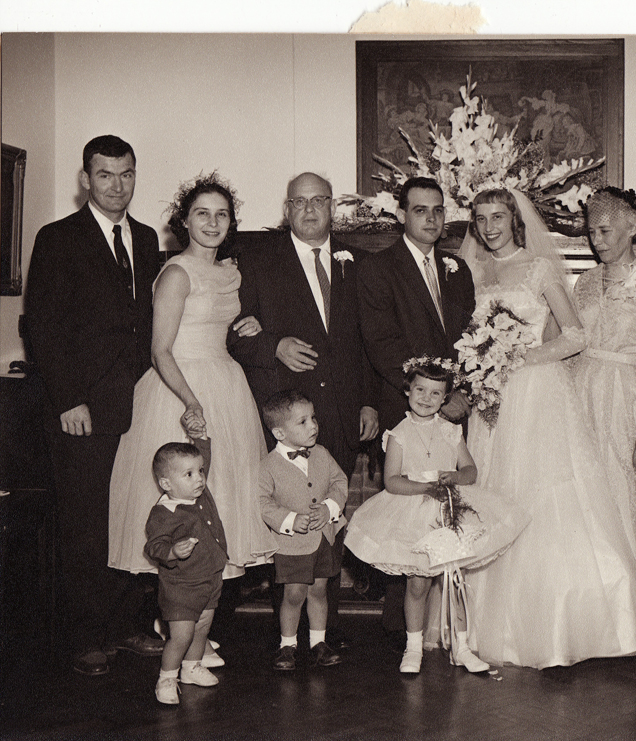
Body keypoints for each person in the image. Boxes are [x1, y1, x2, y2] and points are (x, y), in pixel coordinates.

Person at [459, 188, 636, 669]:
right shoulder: (472, 273)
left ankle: (557, 625)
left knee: (545, 498)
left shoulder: (539, 269)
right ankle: (486, 624)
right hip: (492, 401)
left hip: (536, 392)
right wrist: (483, 365)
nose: (490, 228)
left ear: (515, 220)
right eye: (481, 219)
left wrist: (516, 358)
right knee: (492, 492)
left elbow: (574, 336)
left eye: (498, 217)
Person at [26, 135, 164, 676]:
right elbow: (44, 325)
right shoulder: (58, 237)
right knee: (84, 523)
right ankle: (85, 636)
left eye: (125, 174)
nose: (116, 186)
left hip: (138, 405)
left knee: (131, 517)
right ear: (86, 179)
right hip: (81, 409)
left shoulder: (148, 238)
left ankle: (127, 625)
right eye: (104, 175)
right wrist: (68, 399)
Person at [228, 172, 378, 650]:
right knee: (291, 530)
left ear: (332, 207)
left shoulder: (358, 263)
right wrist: (275, 345)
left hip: (341, 411)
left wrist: (370, 398)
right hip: (289, 418)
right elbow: (232, 333)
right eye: (299, 202)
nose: (310, 210)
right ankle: (286, 637)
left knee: (329, 525)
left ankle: (323, 634)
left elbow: (366, 340)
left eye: (319, 200)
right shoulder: (257, 262)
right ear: (287, 209)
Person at [108, 173, 277, 587]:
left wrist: (249, 322)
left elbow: (224, 318)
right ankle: (174, 614)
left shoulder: (230, 272)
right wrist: (191, 402)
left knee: (222, 490)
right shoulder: (177, 273)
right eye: (202, 213)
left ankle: (200, 614)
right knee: (180, 498)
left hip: (227, 383)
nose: (212, 223)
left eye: (222, 215)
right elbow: (160, 349)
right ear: (185, 220)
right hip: (179, 386)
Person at [344, 358, 529, 674]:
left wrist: (454, 477)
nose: (426, 399)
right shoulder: (398, 434)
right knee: (417, 583)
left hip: (451, 507)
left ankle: (462, 647)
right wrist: (425, 486)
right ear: (408, 390)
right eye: (420, 390)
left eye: (435, 393)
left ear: (445, 398)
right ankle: (413, 647)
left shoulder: (450, 431)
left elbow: (470, 470)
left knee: (455, 582)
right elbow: (391, 481)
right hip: (415, 505)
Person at [358, 176, 476, 642]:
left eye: (437, 210)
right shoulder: (377, 267)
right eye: (420, 210)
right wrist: (435, 397)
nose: (430, 218)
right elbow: (381, 341)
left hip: (452, 409)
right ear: (401, 214)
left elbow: (469, 339)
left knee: (447, 510)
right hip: (407, 406)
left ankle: (446, 624)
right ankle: (404, 627)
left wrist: (462, 392)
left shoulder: (456, 269)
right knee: (409, 518)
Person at [572, 187, 636, 570]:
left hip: (626, 395)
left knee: (618, 484)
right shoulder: (584, 282)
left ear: (632, 227)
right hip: (581, 389)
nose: (596, 241)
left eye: (604, 231)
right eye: (591, 232)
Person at [257, 391, 348, 671]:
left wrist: (330, 507)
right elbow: (262, 502)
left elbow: (339, 481)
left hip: (324, 537)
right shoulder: (268, 465)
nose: (313, 426)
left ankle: (318, 642)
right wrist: (288, 520)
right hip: (292, 544)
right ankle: (288, 645)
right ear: (279, 432)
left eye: (313, 418)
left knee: (319, 590)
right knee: (294, 593)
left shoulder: (321, 453)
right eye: (303, 421)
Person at [145, 439, 227, 704]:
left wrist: (201, 438)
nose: (199, 479)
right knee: (181, 636)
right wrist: (172, 552)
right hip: (181, 586)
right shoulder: (163, 512)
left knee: (201, 628)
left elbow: (203, 455)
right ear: (166, 484)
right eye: (189, 474)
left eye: (200, 471)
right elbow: (155, 546)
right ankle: (167, 678)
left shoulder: (200, 497)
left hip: (210, 579)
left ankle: (191, 667)